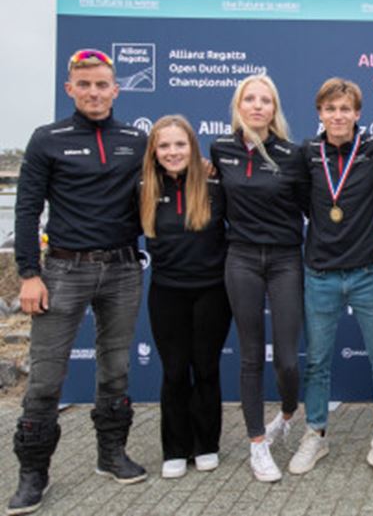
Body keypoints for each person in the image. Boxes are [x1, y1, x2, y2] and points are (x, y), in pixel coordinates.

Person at [10, 49, 147, 515]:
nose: (93, 92)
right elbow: (27, 209)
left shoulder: (136, 139)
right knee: (46, 378)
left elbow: (166, 184)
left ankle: (111, 456)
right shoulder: (47, 139)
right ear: (69, 88)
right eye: (84, 85)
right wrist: (29, 273)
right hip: (63, 270)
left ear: (116, 89)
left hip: (125, 268)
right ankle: (33, 475)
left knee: (115, 370)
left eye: (102, 84)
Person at [288, 79, 373, 475]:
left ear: (358, 113)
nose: (338, 116)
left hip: (368, 272)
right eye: (330, 109)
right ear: (320, 114)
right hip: (321, 273)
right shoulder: (306, 153)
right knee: (316, 360)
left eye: (345, 109)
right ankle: (315, 434)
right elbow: (302, 201)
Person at [210, 74, 308, 483]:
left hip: (286, 258)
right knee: (250, 356)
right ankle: (256, 445)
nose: (256, 106)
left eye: (264, 100)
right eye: (249, 99)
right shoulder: (220, 150)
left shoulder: (292, 153)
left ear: (274, 108)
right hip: (242, 259)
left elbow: (312, 207)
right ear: (238, 106)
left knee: (287, 359)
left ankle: (286, 414)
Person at [140, 115, 231, 479]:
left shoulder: (213, 185)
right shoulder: (143, 187)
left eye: (180, 144)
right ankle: (175, 448)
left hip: (212, 290)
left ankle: (206, 443)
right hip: (167, 292)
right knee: (175, 371)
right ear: (154, 151)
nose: (173, 152)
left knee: (206, 368)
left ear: (193, 148)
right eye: (164, 145)